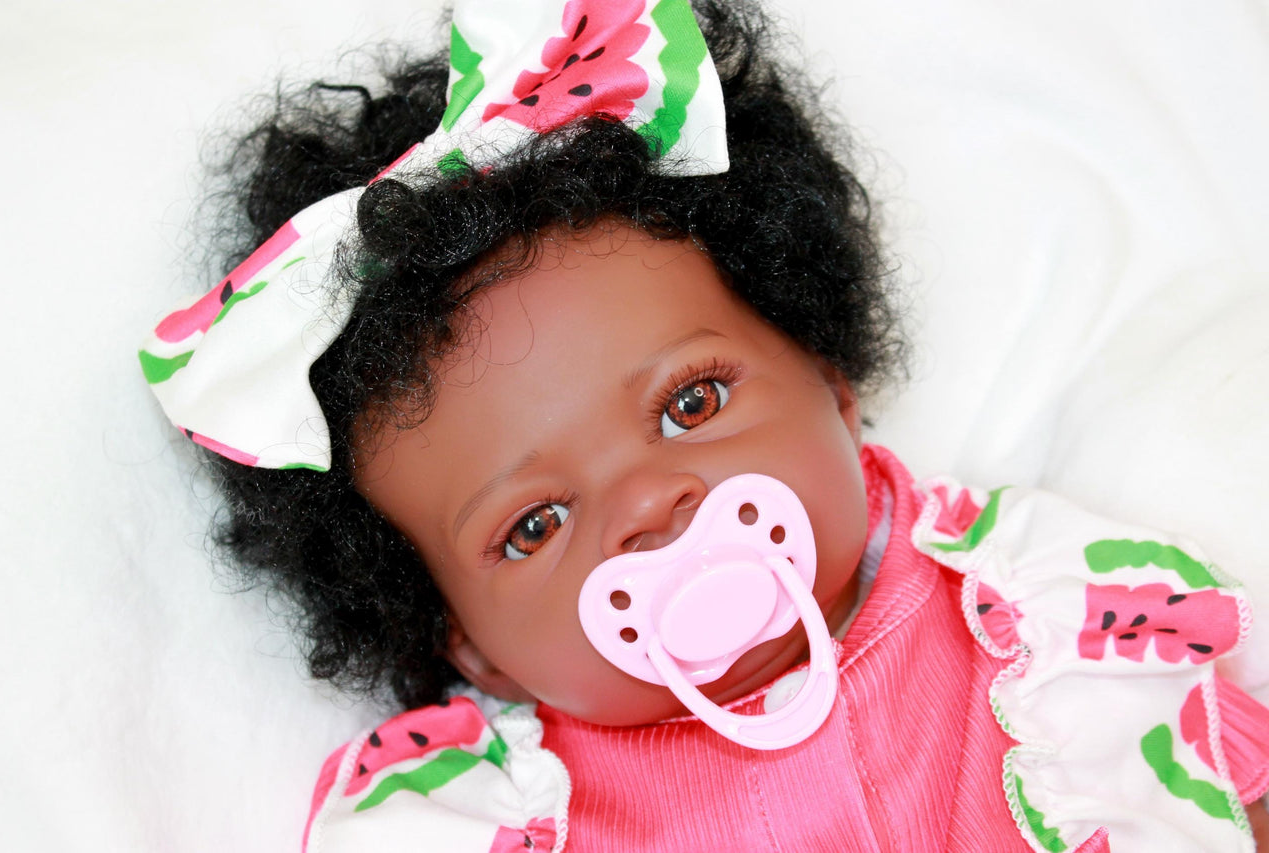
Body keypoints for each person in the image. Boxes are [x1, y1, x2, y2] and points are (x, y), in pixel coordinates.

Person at [139, 0, 1269, 849]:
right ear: (467, 644)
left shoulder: (1040, 624)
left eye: (691, 403)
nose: (646, 503)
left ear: (828, 378)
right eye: (533, 524)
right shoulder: (483, 817)